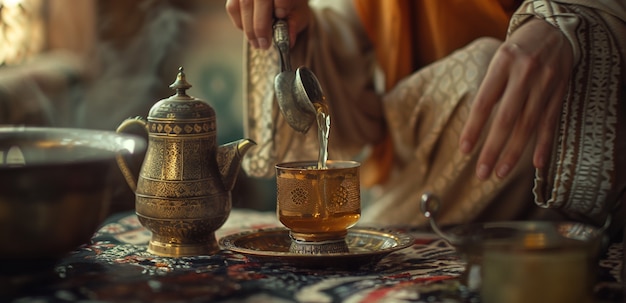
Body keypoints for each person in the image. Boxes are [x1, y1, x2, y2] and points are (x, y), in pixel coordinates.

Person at [225, 0, 626, 230]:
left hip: (544, 165)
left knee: (487, 75)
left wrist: (568, 22)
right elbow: (349, 116)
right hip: (417, 178)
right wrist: (299, 24)